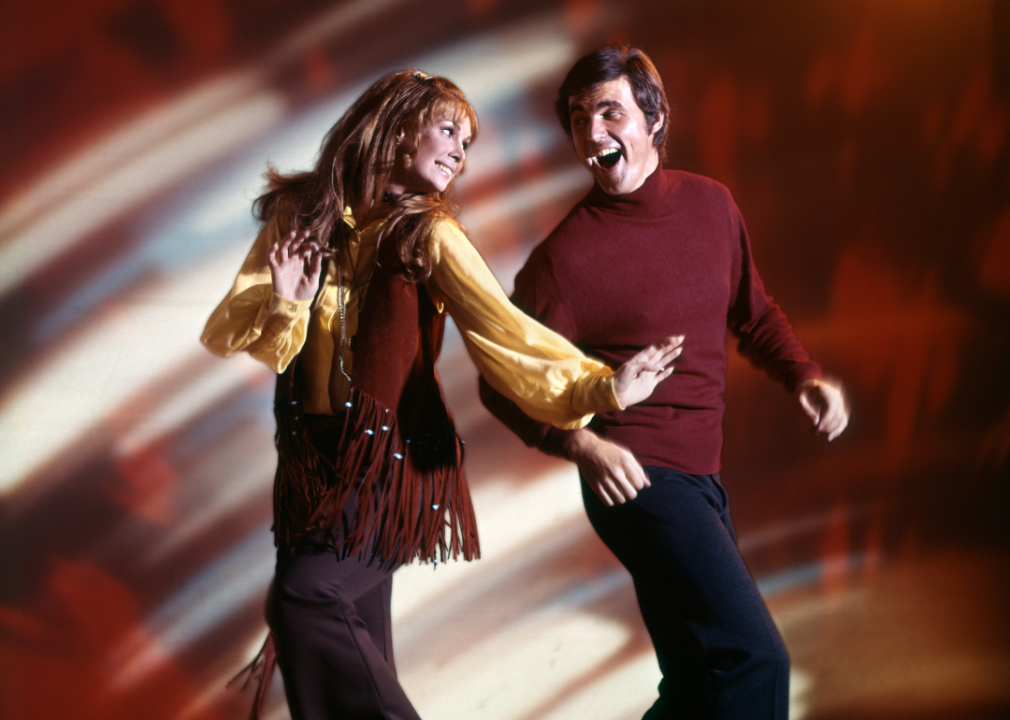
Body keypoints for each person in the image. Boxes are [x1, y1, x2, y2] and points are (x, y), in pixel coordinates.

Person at [201, 69, 681, 720]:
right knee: (353, 639)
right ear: (399, 129)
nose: (460, 150)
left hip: (387, 468)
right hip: (312, 471)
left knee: (304, 600)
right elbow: (237, 336)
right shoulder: (301, 214)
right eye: (448, 130)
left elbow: (504, 332)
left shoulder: (431, 234)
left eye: (468, 140)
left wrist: (601, 386)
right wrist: (286, 303)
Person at [479, 45, 849, 720]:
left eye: (609, 112)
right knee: (755, 659)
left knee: (697, 679)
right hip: (638, 480)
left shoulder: (713, 206)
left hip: (702, 476)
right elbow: (501, 380)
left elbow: (753, 314)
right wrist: (580, 447)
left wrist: (805, 376)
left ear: (654, 117)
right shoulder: (564, 260)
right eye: (577, 119)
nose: (592, 134)